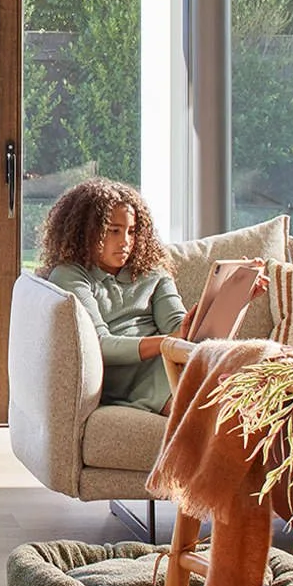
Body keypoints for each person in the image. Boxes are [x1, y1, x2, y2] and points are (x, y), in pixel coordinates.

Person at [35, 178, 184, 415]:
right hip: (128, 378)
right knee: (203, 405)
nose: (125, 242)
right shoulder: (70, 276)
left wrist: (231, 299)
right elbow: (99, 344)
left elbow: (179, 326)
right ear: (86, 232)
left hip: (174, 360)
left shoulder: (153, 271)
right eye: (114, 231)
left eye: (132, 232)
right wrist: (167, 343)